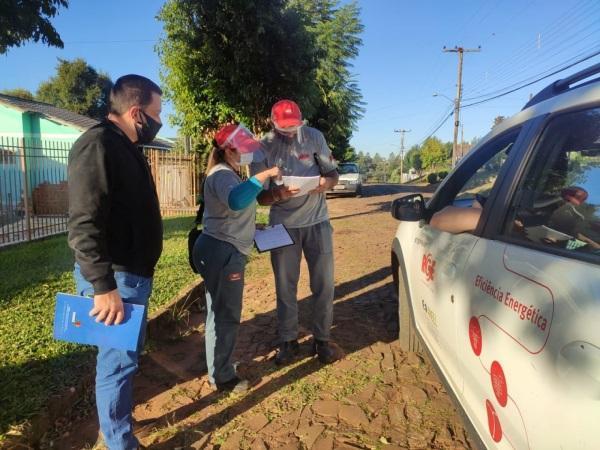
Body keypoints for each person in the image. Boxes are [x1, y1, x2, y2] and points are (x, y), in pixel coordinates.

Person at [68, 75, 164, 450]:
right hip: (116, 282)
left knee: (126, 360)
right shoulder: (98, 145)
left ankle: (118, 419)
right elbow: (83, 223)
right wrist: (102, 286)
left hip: (133, 278)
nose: (160, 122)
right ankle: (119, 442)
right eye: (157, 114)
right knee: (116, 364)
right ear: (137, 112)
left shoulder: (126, 146)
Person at [192, 123, 284, 392]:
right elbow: (236, 201)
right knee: (226, 316)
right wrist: (264, 175)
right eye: (242, 149)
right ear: (227, 149)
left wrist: (253, 227)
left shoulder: (229, 173)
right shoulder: (221, 174)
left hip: (220, 247)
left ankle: (217, 368)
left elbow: (230, 213)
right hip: (223, 252)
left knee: (217, 313)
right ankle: (222, 377)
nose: (246, 154)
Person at [251, 99, 342, 365]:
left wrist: (326, 183)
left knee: (324, 284)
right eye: (284, 127)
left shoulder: (315, 138)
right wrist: (277, 194)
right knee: (285, 286)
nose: (291, 132)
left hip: (317, 222)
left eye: (295, 126)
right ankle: (288, 341)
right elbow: (260, 198)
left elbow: (333, 175)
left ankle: (322, 339)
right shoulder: (263, 146)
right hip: (283, 226)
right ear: (273, 123)